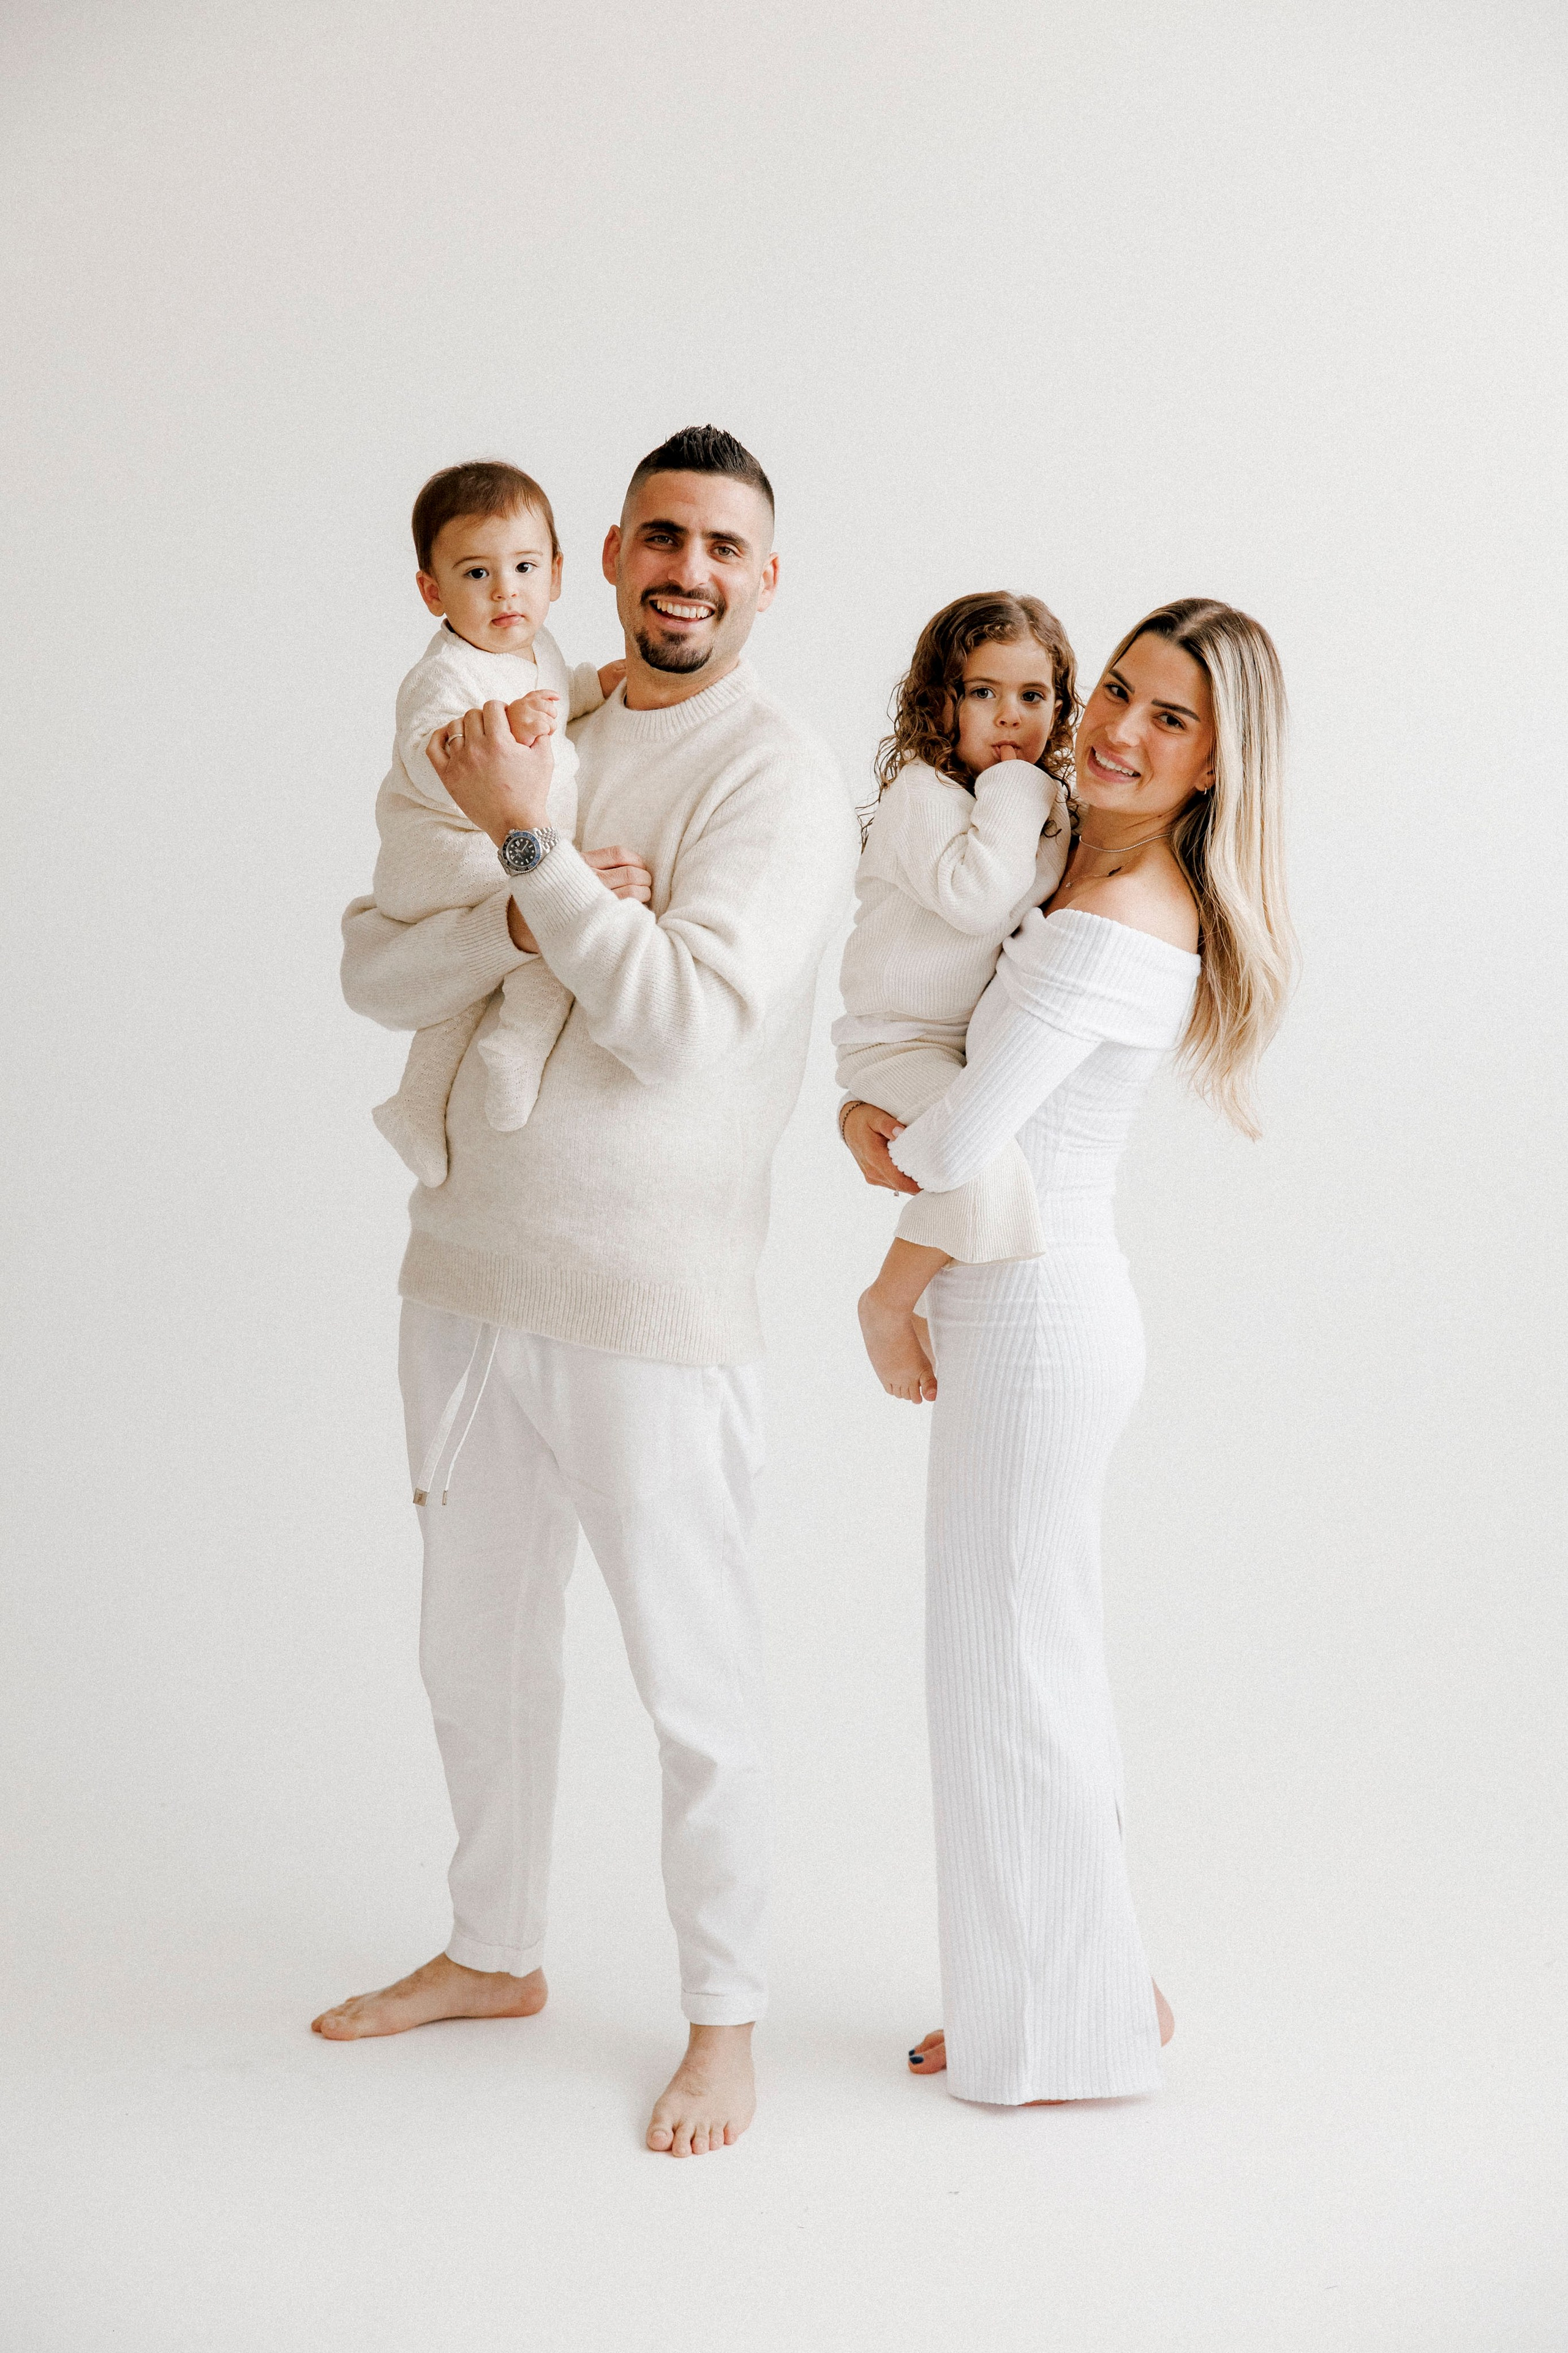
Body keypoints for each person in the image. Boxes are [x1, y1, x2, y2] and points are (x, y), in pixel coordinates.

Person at [319, 425, 859, 2159]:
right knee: (470, 1655)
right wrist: (520, 882)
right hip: (470, 1270)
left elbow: (684, 1015)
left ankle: (726, 2018)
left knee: (693, 1685)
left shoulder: (771, 775)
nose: (686, 571)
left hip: (649, 1302)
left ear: (765, 577)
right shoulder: (518, 723)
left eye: (724, 546)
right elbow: (376, 957)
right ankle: (494, 1952)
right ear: (610, 554)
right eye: (659, 539)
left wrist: (534, 861)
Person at [841, 599, 1295, 2104]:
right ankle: (1079, 1982)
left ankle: (1064, 2029)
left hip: (1033, 1314)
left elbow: (971, 1130)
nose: (1113, 727)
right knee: (1024, 1667)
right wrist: (884, 1128)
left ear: (1218, 761)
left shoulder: (1118, 912)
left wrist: (884, 1285)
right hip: (1029, 1303)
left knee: (1004, 1669)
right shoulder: (1071, 864)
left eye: (1167, 718)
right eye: (1115, 689)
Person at [834, 591, 1076, 1405]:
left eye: (1032, 697)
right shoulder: (922, 798)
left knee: (990, 1170)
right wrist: (1017, 785)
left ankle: (944, 1308)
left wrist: (1035, 799)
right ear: (942, 702)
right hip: (894, 1043)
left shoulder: (1045, 815)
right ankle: (887, 1303)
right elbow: (977, 900)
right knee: (978, 1162)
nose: (1010, 717)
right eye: (984, 693)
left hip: (955, 1048)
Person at [370, 459, 624, 1188]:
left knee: (478, 967)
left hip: (486, 851)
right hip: (442, 854)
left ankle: (416, 1105)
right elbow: (434, 756)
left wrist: (587, 688)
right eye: (476, 574)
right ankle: (521, 1040)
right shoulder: (444, 677)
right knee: (558, 907)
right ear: (432, 591)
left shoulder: (533, 648)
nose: (505, 589)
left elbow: (546, 693)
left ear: (557, 573)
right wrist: (502, 732)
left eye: (523, 566)